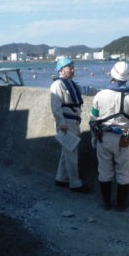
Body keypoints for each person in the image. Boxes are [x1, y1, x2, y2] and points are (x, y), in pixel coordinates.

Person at [90, 61, 129, 211]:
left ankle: (106, 203)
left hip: (103, 137)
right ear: (127, 78)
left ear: (112, 75)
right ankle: (121, 205)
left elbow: (93, 119)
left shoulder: (100, 95)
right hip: (124, 140)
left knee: (104, 171)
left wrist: (94, 138)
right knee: (124, 172)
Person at [50, 57, 90, 193]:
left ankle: (61, 178)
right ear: (61, 70)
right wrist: (61, 124)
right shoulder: (57, 85)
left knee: (66, 152)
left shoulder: (71, 84)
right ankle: (75, 183)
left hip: (74, 121)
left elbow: (85, 90)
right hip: (66, 123)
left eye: (73, 67)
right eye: (69, 67)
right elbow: (55, 107)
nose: (73, 69)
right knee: (71, 153)